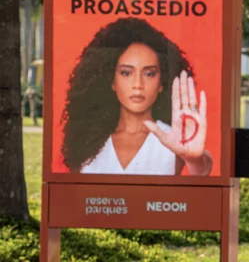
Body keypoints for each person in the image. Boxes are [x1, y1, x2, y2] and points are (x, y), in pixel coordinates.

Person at [61, 17, 212, 176]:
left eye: (149, 74)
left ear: (162, 82)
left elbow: (202, 168)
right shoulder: (87, 139)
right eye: (126, 73)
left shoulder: (174, 138)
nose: (138, 84)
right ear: (111, 81)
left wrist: (194, 159)